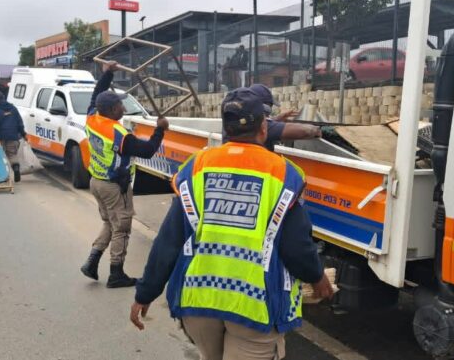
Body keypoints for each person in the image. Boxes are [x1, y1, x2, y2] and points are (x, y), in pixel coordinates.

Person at [130, 89, 334, 359]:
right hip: (253, 306)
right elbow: (296, 246)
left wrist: (145, 293)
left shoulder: (197, 166)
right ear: (264, 128)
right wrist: (317, 278)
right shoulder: (283, 173)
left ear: (225, 128)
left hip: (199, 300)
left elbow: (169, 240)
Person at [79, 90, 169, 288]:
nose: (124, 108)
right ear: (112, 110)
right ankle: (116, 274)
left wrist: (108, 75)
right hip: (113, 186)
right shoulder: (119, 135)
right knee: (121, 228)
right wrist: (160, 130)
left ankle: (92, 261)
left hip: (96, 181)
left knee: (109, 223)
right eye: (120, 105)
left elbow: (95, 95)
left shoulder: (92, 118)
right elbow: (147, 150)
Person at [221, 85, 321, 152]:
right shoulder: (259, 127)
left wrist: (276, 119)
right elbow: (306, 131)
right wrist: (316, 130)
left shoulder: (233, 123)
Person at [0, 92, 27, 182]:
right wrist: (23, 134)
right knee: (12, 154)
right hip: (13, 136)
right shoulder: (13, 108)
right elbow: (20, 123)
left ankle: (2, 177)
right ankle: (16, 167)